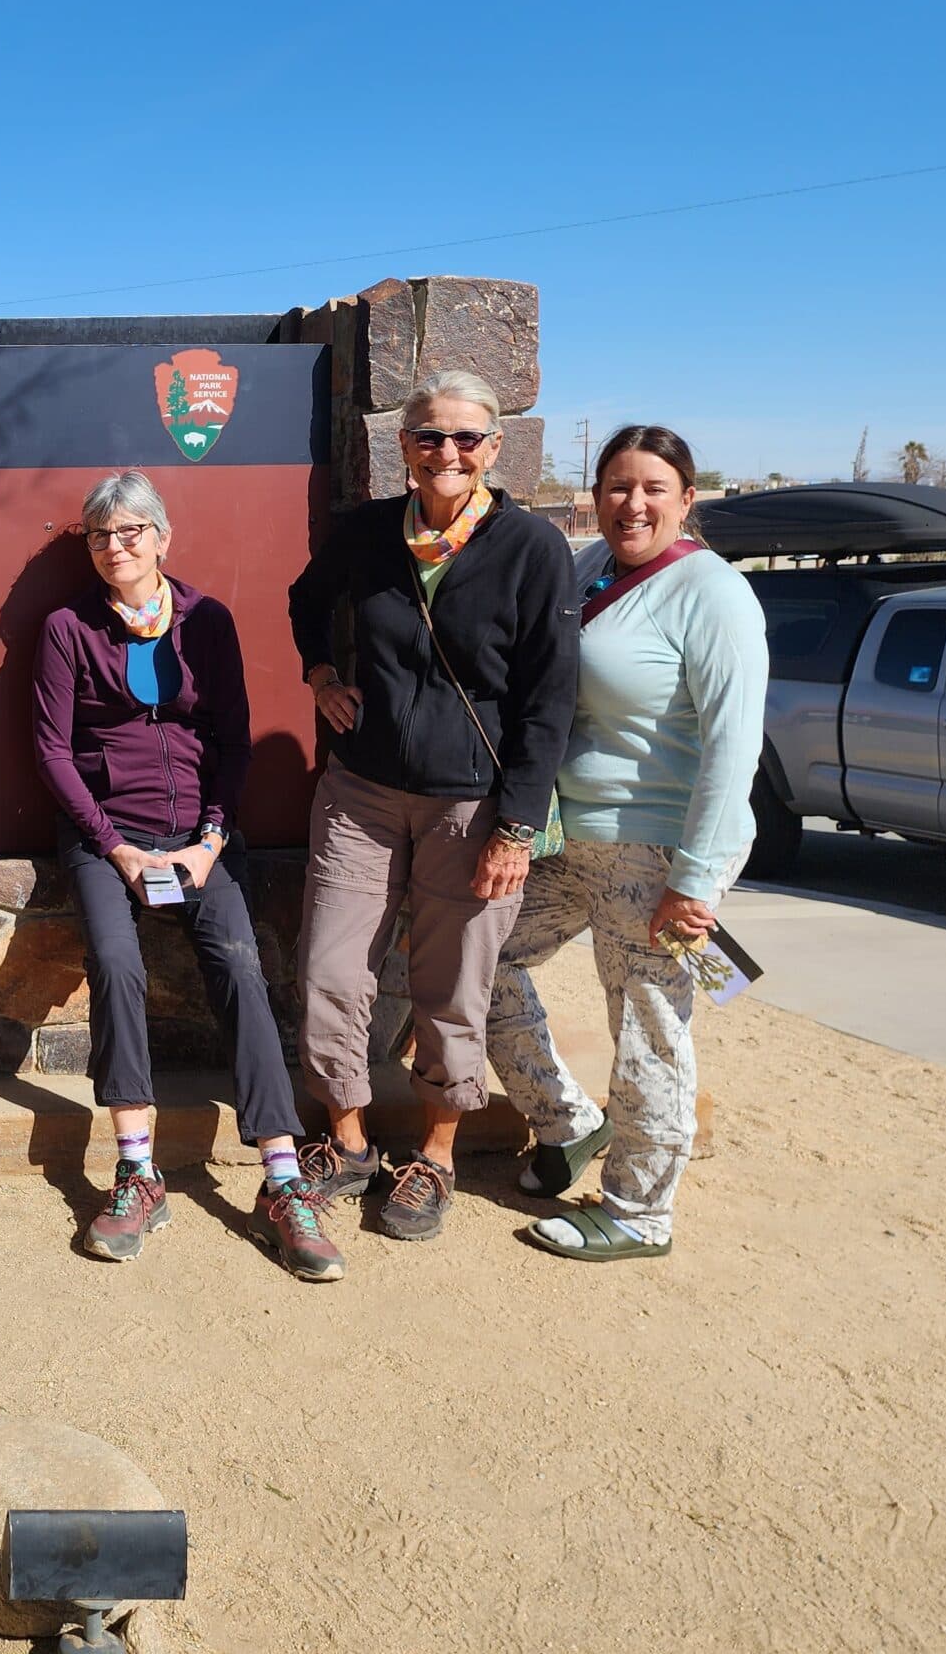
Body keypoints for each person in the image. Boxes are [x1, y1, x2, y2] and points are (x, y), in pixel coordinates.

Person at [287, 370, 579, 1240]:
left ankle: (437, 1156)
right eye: (427, 437)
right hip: (361, 792)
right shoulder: (370, 532)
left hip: (472, 808)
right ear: (403, 447)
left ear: (492, 448)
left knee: (452, 987)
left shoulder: (531, 547)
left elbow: (549, 698)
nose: (444, 453)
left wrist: (516, 826)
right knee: (333, 973)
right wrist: (323, 676)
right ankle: (346, 1139)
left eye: (463, 439)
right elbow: (307, 600)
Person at [33, 470, 345, 1280]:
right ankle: (137, 1169)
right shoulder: (67, 627)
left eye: (131, 531)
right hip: (107, 839)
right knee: (114, 961)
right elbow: (54, 752)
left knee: (241, 967)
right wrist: (117, 847)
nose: (114, 547)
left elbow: (233, 739)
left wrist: (210, 840)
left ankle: (282, 1179)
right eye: (100, 534)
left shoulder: (208, 621)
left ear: (163, 538)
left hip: (199, 837)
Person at [484, 425, 767, 1260]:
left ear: (687, 497)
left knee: (648, 1023)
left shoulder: (712, 594)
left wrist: (699, 877)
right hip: (567, 838)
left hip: (657, 850)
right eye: (615, 486)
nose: (632, 503)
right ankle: (569, 1123)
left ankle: (640, 1211)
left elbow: (733, 744)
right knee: (477, 959)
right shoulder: (584, 569)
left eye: (652, 487)